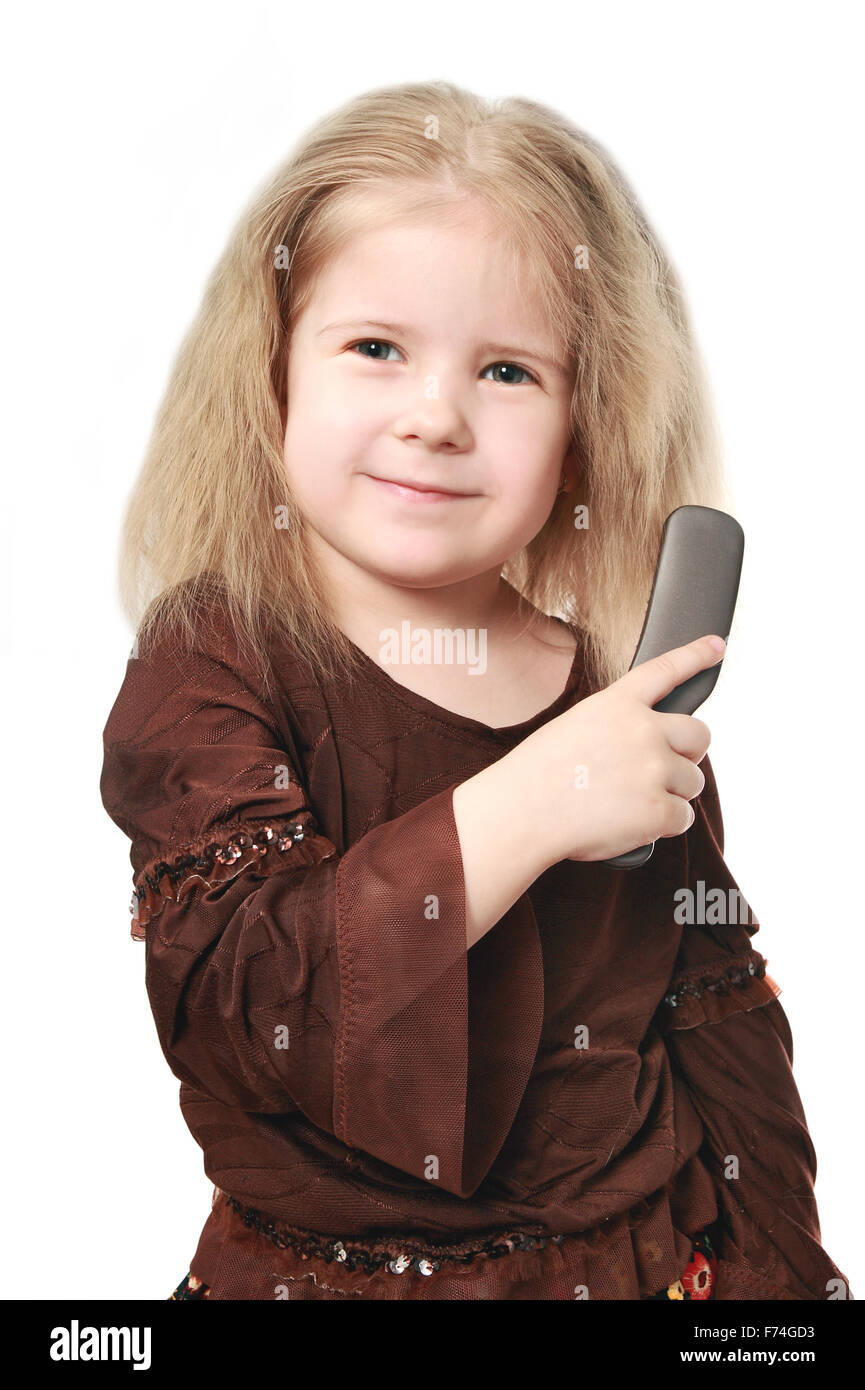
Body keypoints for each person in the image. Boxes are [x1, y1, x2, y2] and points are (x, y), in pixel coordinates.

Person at [100, 80, 850, 1300]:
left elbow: (713, 1005)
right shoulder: (213, 664)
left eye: (508, 370)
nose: (436, 415)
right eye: (376, 348)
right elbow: (256, 1013)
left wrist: (792, 1294)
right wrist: (535, 802)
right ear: (274, 372)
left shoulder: (611, 688)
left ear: (583, 428)